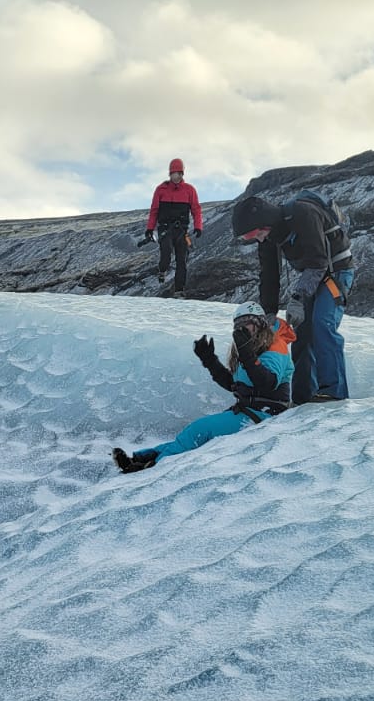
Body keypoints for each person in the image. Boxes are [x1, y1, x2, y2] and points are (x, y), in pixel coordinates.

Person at [112, 304, 294, 473]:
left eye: (247, 323)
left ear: (259, 324)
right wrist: (209, 360)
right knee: (189, 436)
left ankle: (153, 468)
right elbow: (234, 385)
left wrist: (246, 353)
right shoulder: (251, 348)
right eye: (238, 324)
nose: (242, 328)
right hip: (251, 411)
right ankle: (140, 458)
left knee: (198, 430)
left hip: (266, 414)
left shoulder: (274, 346)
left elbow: (267, 382)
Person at [230, 191, 353, 402]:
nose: (257, 239)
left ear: (264, 222)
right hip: (311, 277)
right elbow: (269, 276)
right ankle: (302, 398)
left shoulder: (302, 213)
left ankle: (334, 393)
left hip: (336, 273)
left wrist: (297, 297)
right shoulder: (268, 237)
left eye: (254, 234)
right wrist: (268, 312)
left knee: (322, 325)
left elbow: (318, 260)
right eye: (249, 238)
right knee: (301, 334)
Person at [144, 157, 204, 297]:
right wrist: (149, 229)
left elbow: (196, 209)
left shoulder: (190, 190)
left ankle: (179, 291)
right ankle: (162, 270)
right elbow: (154, 211)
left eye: (178, 173)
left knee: (181, 260)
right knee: (165, 253)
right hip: (165, 228)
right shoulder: (161, 190)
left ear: (182, 174)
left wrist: (198, 226)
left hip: (182, 230)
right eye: (173, 173)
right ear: (170, 174)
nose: (176, 176)